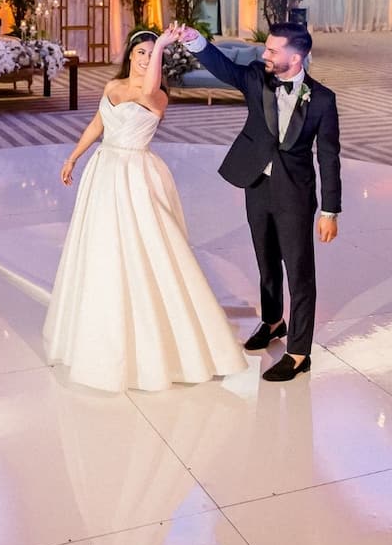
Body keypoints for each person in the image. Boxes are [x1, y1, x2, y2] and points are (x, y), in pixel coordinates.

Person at [44, 28, 248, 393]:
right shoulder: (113, 86)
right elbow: (97, 124)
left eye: (151, 53)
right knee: (103, 249)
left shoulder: (157, 96)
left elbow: (148, 87)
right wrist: (73, 156)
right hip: (104, 171)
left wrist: (165, 46)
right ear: (130, 54)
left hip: (136, 173)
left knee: (147, 248)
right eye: (140, 52)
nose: (144, 58)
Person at [179, 22, 341, 382]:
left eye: (272, 50)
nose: (264, 55)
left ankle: (299, 353)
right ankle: (273, 322)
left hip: (296, 193)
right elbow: (225, 69)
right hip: (257, 184)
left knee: (299, 273)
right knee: (266, 263)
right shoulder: (256, 78)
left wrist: (330, 210)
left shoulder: (323, 100)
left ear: (295, 57)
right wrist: (195, 41)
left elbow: (328, 157)